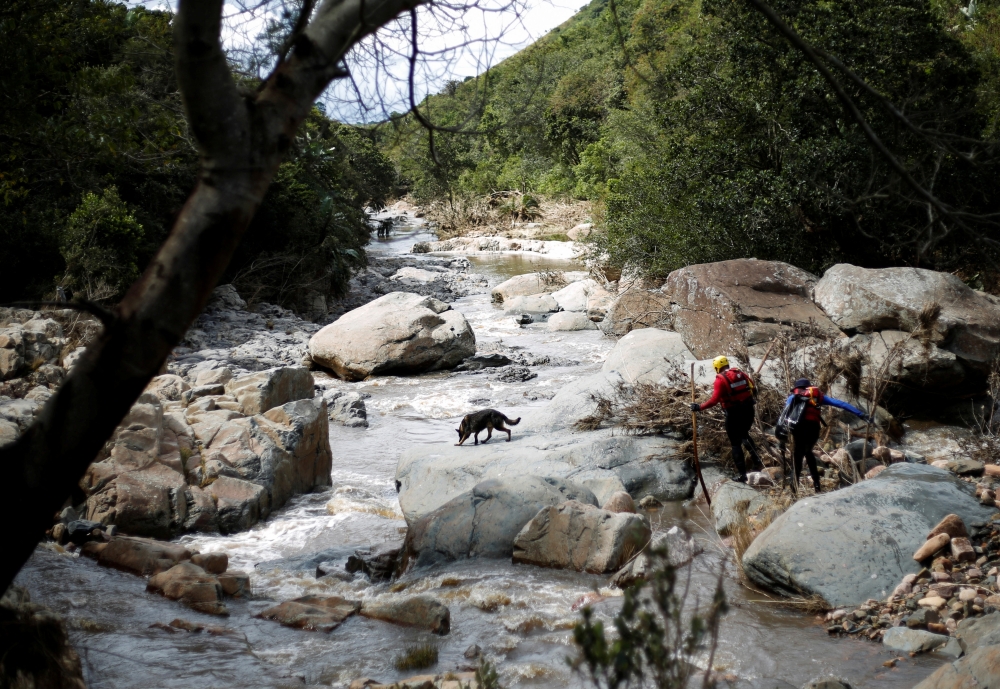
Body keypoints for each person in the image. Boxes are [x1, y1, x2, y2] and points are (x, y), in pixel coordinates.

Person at [779, 377, 869, 492]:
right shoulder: (817, 397)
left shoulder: (793, 397)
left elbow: (783, 417)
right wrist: (860, 414)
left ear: (796, 389)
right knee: (808, 452)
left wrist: (781, 439)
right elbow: (840, 404)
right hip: (814, 430)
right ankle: (817, 486)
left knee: (797, 457)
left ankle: (793, 490)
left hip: (800, 430)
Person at [691, 355, 763, 482]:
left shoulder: (720, 380)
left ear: (716, 367)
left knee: (735, 444)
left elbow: (714, 400)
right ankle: (757, 460)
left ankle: (742, 475)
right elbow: (753, 387)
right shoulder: (741, 374)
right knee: (745, 434)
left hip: (734, 414)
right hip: (748, 411)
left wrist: (699, 407)